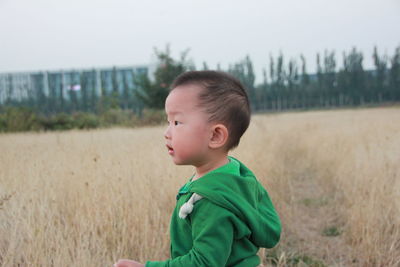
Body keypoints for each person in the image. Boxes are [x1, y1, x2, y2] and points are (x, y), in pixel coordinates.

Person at [114, 71, 281, 267]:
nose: (166, 133)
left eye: (177, 122)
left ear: (215, 136)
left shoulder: (212, 201)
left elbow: (204, 263)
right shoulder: (235, 174)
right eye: (168, 122)